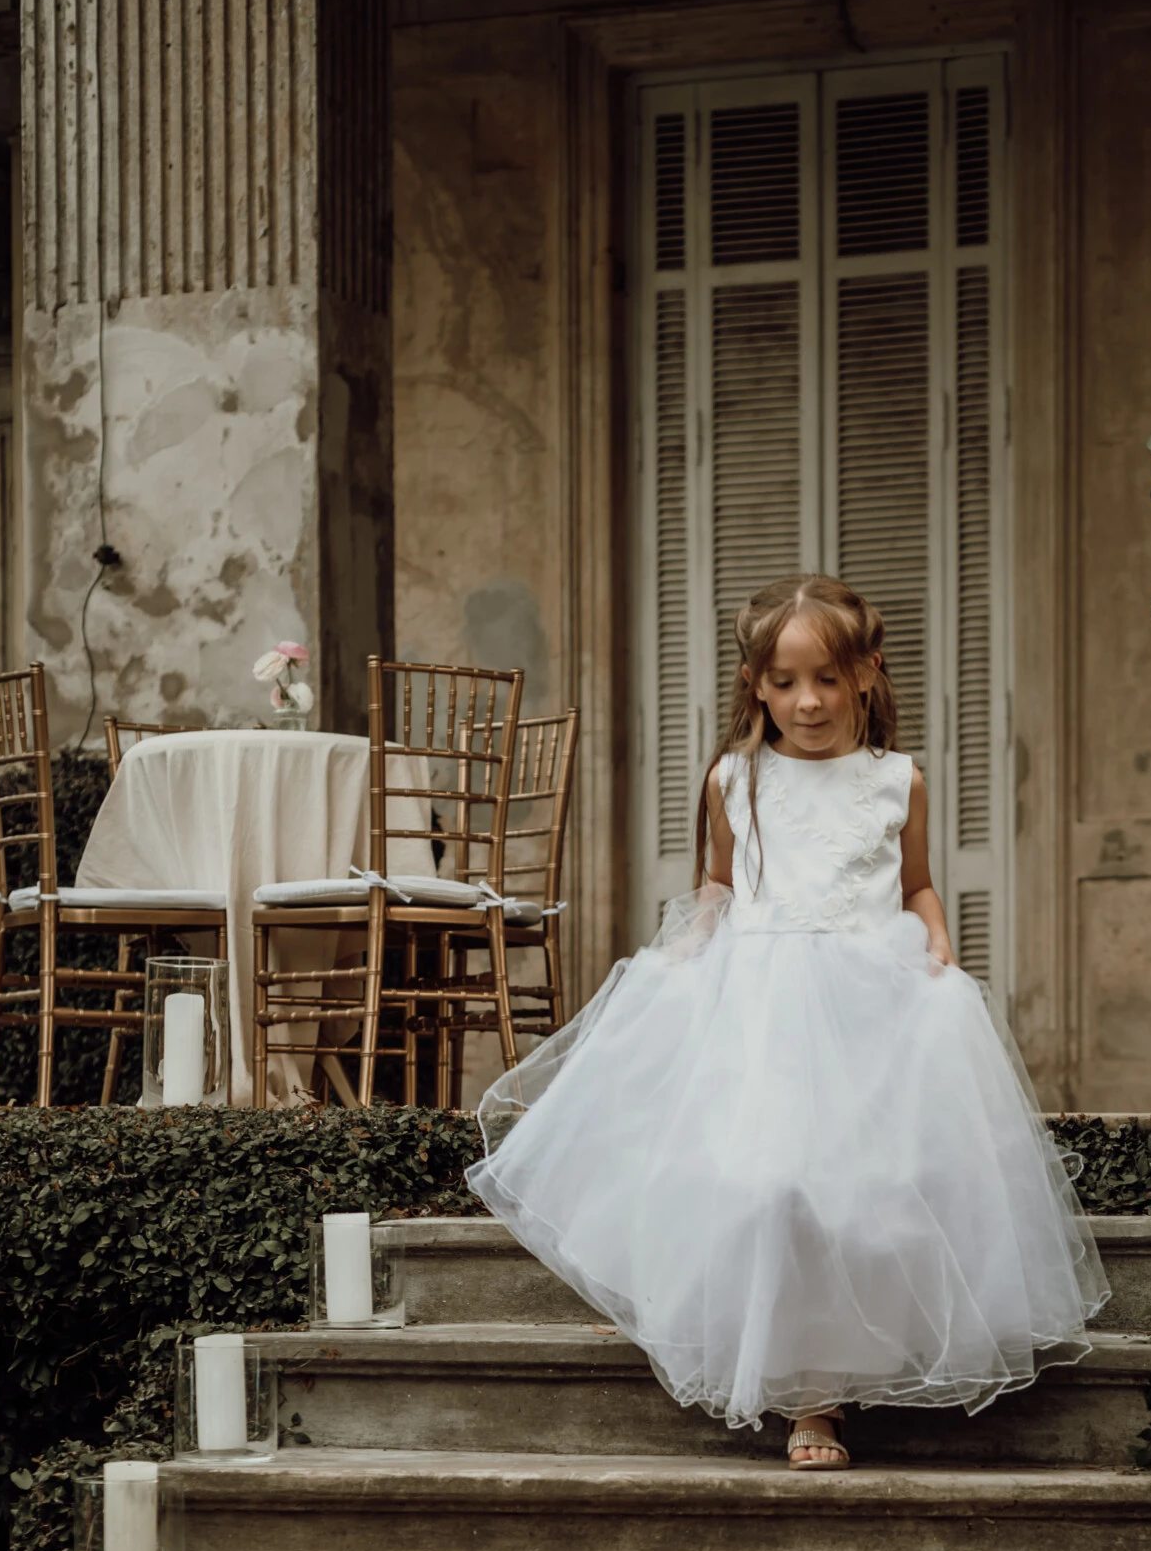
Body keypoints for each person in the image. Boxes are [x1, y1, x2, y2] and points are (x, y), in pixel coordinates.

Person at [467, 573, 1107, 1468]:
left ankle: (825, 1397)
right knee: (768, 1186)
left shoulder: (898, 781)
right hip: (762, 1003)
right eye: (784, 682)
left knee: (866, 1199)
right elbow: (723, 890)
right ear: (756, 687)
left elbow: (917, 882)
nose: (807, 701)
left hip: (871, 1002)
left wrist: (936, 943)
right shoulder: (735, 778)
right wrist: (680, 969)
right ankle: (790, 1375)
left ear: (868, 675)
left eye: (828, 679)